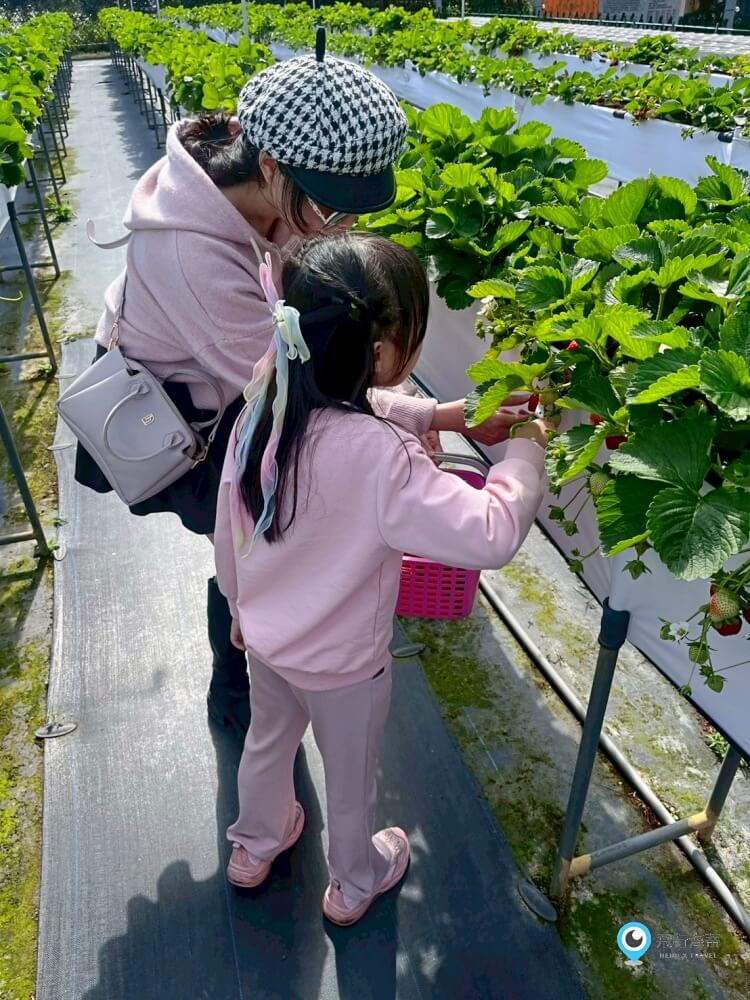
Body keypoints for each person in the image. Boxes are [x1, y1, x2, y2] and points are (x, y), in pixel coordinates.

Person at [75, 40, 527, 740]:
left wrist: (430, 419)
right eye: (331, 210)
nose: (341, 229)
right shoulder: (193, 255)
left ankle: (260, 664)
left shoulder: (262, 195)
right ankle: (239, 697)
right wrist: (432, 415)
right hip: (192, 428)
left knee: (266, 540)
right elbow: (297, 382)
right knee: (250, 546)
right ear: (268, 165)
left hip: (239, 390)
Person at [214, 233, 549, 926]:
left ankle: (255, 843)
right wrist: (525, 448)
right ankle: (356, 879)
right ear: (385, 351)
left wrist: (240, 606)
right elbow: (490, 531)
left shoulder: (266, 398)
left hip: (270, 641)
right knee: (350, 777)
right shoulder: (381, 459)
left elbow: (230, 525)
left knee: (268, 743)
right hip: (345, 667)